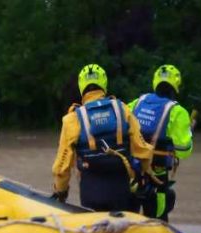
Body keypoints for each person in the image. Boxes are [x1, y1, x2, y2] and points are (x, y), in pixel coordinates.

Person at [51, 64, 152, 212]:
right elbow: (143, 150)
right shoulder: (123, 109)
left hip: (90, 193)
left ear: (81, 87)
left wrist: (60, 191)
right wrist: (146, 176)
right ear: (104, 84)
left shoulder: (72, 119)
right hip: (122, 193)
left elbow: (61, 168)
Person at [128, 64, 194, 220]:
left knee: (129, 218)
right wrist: (188, 132)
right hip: (158, 174)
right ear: (176, 86)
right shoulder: (178, 112)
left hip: (132, 173)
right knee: (158, 219)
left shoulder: (137, 102)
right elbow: (184, 151)